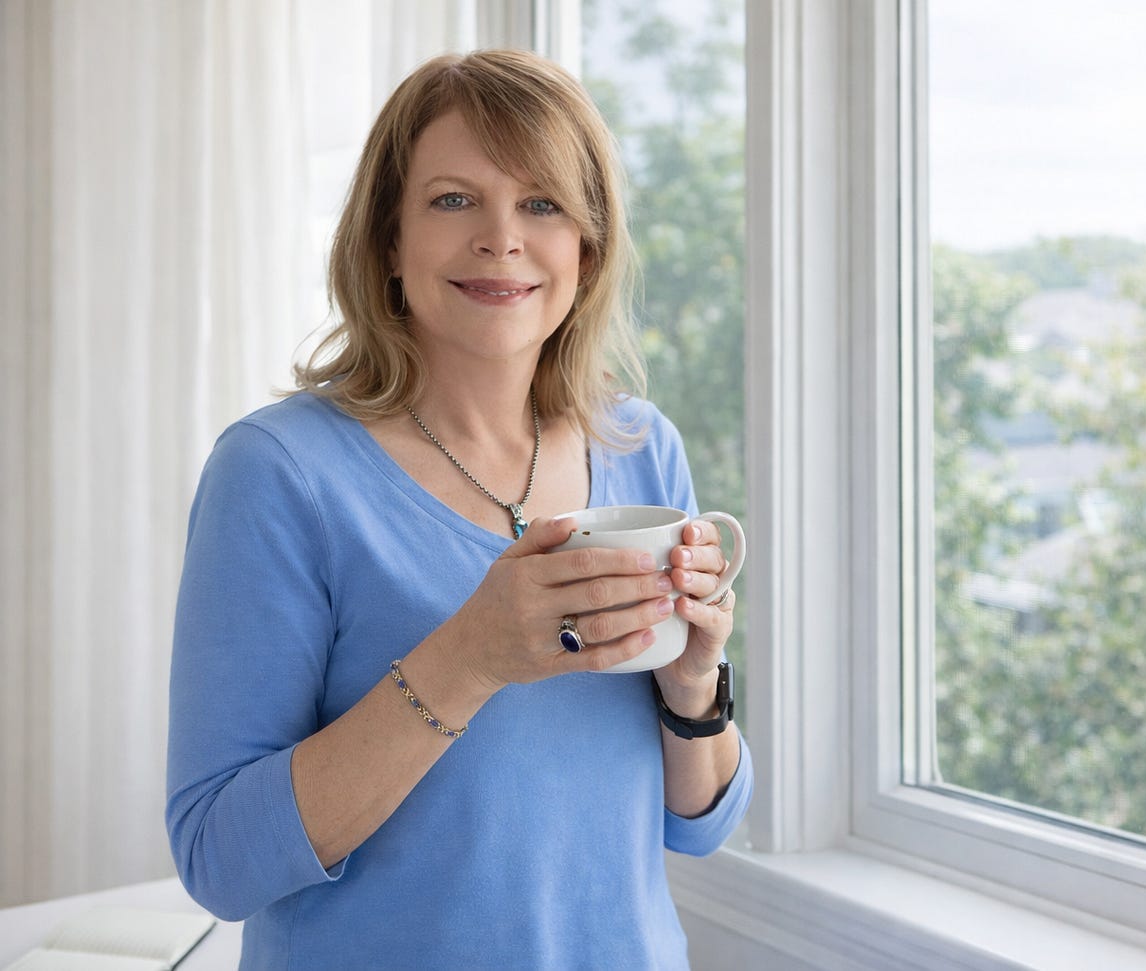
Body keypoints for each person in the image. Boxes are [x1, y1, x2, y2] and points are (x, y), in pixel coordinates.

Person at [165, 48, 752, 970]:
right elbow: (218, 861)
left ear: (586, 249)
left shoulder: (640, 445)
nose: (501, 237)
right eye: (452, 200)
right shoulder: (277, 473)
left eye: (542, 203)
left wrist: (692, 685)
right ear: (388, 241)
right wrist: (469, 657)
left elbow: (701, 825)